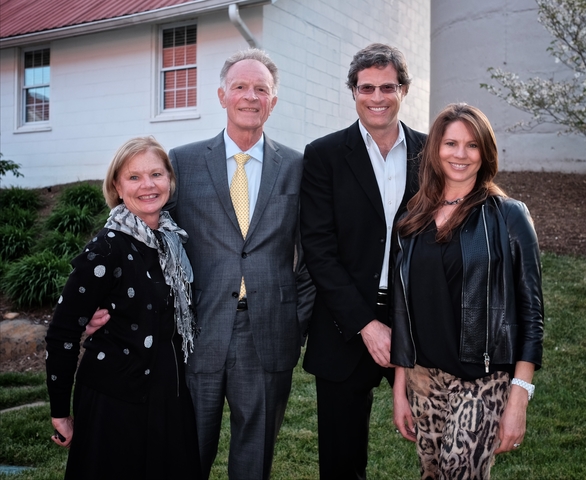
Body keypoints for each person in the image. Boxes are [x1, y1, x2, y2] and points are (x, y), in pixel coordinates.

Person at [166, 49, 310, 480]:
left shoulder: (299, 167)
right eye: (241, 87)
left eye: (261, 89)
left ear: (274, 101)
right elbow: (154, 238)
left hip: (267, 332)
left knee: (254, 461)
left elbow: (314, 253)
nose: (251, 97)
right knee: (188, 453)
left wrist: (295, 320)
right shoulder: (182, 161)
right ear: (222, 95)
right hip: (198, 331)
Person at [391, 103, 544, 479]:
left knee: (460, 473)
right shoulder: (412, 217)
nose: (460, 154)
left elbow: (531, 314)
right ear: (435, 150)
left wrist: (518, 398)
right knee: (431, 474)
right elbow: (402, 308)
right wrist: (400, 387)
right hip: (423, 378)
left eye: (472, 145)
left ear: (485, 153)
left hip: (482, 381)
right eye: (450, 143)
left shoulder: (508, 216)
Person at [300, 43, 427, 479]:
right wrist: (366, 324)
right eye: (366, 87)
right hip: (344, 320)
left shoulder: (432, 156)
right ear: (352, 91)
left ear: (404, 90)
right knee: (341, 458)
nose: (377, 97)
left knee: (441, 443)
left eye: (387, 87)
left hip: (421, 317)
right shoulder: (324, 155)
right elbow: (318, 247)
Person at [45, 136, 201, 479]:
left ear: (170, 182)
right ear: (116, 185)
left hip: (170, 397)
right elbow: (62, 332)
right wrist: (60, 411)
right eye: (134, 177)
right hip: (115, 404)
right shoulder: (106, 249)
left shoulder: (174, 244)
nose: (147, 185)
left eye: (156, 175)